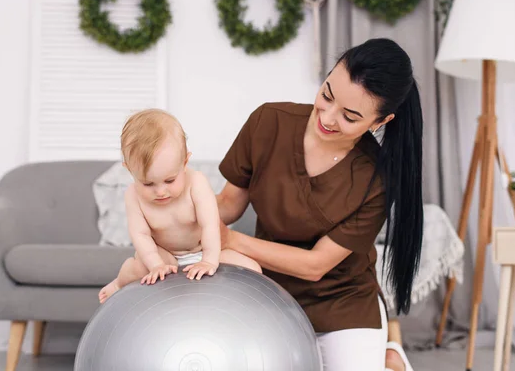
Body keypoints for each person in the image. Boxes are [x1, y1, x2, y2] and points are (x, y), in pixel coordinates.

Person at [215, 38, 422, 371]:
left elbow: (315, 265)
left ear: (380, 122)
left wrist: (231, 240)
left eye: (350, 116)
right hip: (269, 292)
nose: (327, 116)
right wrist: (176, 209)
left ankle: (389, 355)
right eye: (327, 95)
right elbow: (228, 204)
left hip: (342, 303)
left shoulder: (377, 179)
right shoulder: (269, 122)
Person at [99, 109, 261, 304]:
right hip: (165, 255)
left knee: (253, 269)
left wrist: (209, 259)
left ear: (185, 162)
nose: (160, 191)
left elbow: (210, 225)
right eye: (148, 184)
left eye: (170, 180)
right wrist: (156, 264)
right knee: (136, 269)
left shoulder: (197, 183)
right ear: (129, 170)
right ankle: (118, 284)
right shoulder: (133, 195)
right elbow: (140, 235)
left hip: (203, 250)